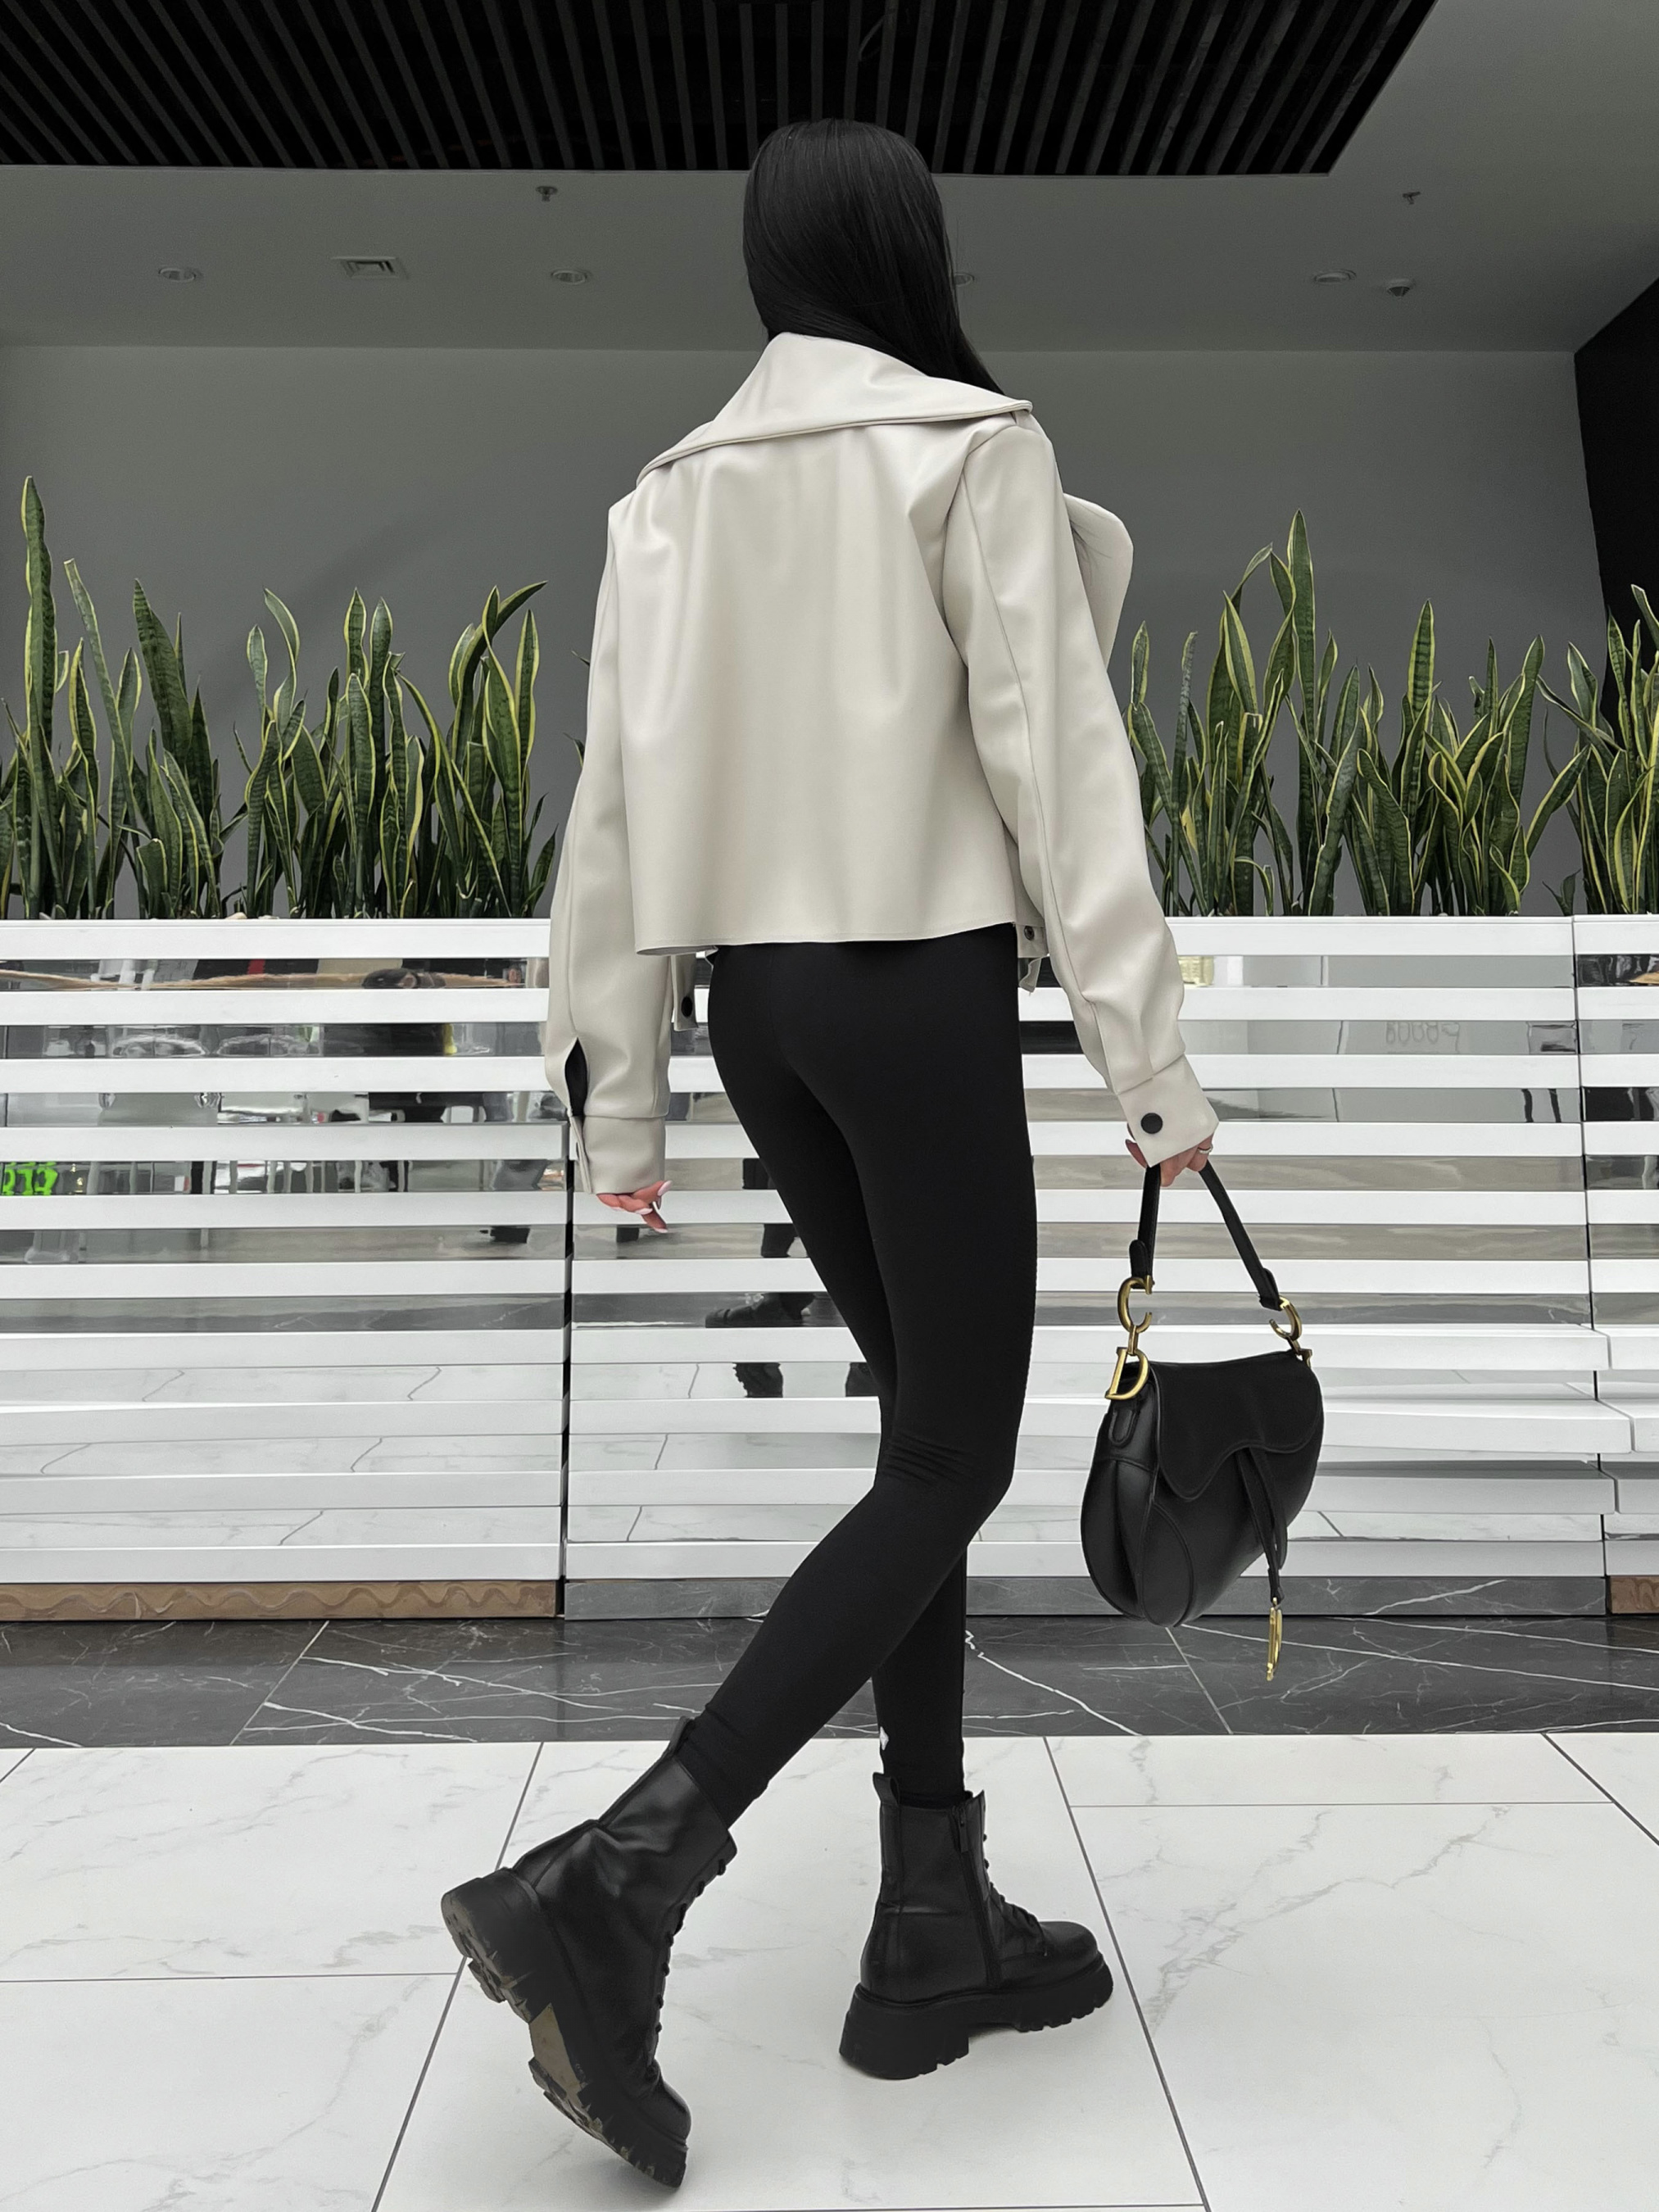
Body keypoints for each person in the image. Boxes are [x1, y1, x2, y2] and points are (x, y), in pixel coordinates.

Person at [440, 117, 1216, 2190]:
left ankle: (927, 1920)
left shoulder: (668, 493)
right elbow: (1062, 772)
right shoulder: (966, 446)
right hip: (913, 994)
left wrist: (619, 1092)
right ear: (907, 250)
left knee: (915, 1446)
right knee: (954, 1455)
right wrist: (1148, 1065)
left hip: (760, 1017)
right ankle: (620, 1877)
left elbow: (611, 815)